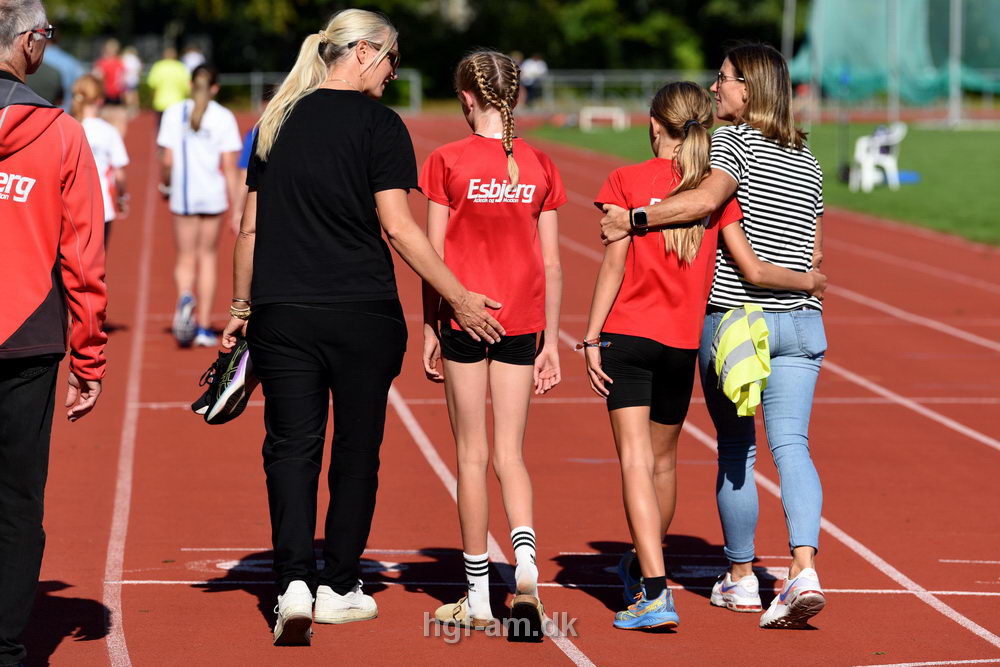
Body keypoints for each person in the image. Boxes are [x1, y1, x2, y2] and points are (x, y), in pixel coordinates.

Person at [220, 9, 504, 647]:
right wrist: (458, 298)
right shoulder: (381, 126)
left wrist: (239, 313)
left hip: (282, 310)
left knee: (291, 448)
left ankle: (292, 583)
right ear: (365, 53)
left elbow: (250, 230)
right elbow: (399, 227)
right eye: (393, 60)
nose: (394, 73)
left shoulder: (275, 120)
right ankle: (339, 585)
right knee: (355, 451)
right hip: (361, 311)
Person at [599, 43, 829, 630]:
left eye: (723, 79)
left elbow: (703, 201)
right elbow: (817, 249)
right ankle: (803, 567)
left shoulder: (731, 145)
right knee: (792, 446)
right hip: (802, 317)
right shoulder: (808, 157)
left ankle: (744, 577)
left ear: (749, 88)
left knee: (737, 450)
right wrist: (804, 280)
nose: (715, 87)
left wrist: (636, 217)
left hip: (735, 323)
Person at [421, 50, 564, 637]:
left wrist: (431, 326)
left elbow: (429, 257)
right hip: (523, 321)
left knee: (471, 456)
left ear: (466, 98)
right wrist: (552, 340)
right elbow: (552, 262)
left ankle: (479, 593)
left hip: (464, 318)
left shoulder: (446, 160)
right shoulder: (539, 164)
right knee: (512, 455)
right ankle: (526, 568)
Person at [0, 3, 108, 665]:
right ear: (30, 43)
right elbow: (84, 257)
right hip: (28, 335)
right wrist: (89, 357)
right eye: (47, 35)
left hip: (28, 335)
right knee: (15, 497)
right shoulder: (63, 134)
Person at [157, 65, 241, 348]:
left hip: (184, 194)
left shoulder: (173, 113)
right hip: (213, 196)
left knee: (185, 257)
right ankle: (204, 327)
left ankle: (185, 295)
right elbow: (230, 168)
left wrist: (165, 186)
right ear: (215, 87)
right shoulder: (224, 117)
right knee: (208, 257)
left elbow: (167, 162)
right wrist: (236, 208)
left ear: (191, 84)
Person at [71, 74, 129, 245]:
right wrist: (122, 198)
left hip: (71, 204)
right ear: (99, 100)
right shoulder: (108, 131)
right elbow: (119, 175)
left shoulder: (66, 125)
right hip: (101, 204)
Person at [147, 46, 190, 122]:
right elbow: (187, 87)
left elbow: (152, 85)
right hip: (177, 103)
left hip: (161, 103)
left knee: (161, 128)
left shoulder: (158, 66)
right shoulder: (181, 67)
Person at [120, 44, 141, 117]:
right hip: (134, 79)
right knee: (134, 94)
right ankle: (135, 109)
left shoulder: (124, 58)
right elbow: (139, 70)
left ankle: (129, 108)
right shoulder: (135, 59)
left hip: (127, 79)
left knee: (128, 94)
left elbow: (122, 70)